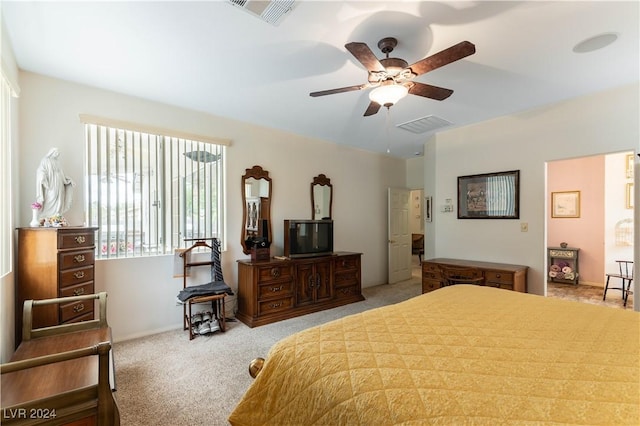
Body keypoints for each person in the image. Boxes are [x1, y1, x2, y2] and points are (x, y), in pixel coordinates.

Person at [35, 148, 75, 218]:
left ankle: (57, 214)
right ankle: (47, 215)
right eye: (56, 153)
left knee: (59, 198)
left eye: (58, 153)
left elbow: (62, 173)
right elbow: (40, 170)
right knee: (51, 196)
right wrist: (42, 177)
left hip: (59, 183)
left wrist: (67, 180)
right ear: (51, 152)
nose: (57, 154)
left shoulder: (57, 162)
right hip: (51, 183)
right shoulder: (45, 160)